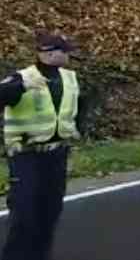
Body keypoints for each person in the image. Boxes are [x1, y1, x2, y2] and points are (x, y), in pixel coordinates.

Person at [1, 34, 84, 260]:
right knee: (25, 214)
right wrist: (21, 87)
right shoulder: (23, 77)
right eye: (65, 51)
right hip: (27, 156)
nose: (69, 55)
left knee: (49, 213)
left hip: (57, 155)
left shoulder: (70, 77)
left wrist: (76, 129)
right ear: (49, 53)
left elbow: (78, 106)